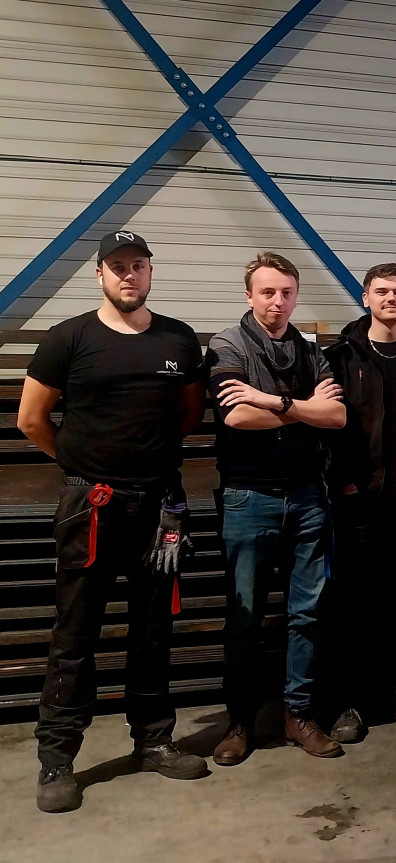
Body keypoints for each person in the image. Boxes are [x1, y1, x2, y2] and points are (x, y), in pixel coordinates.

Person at [19, 230, 210, 812]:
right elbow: (31, 420)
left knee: (153, 631)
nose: (129, 275)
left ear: (152, 273)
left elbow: (189, 413)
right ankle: (57, 760)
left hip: (159, 507)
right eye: (118, 266)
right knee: (75, 636)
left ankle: (153, 740)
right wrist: (84, 465)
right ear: (99, 275)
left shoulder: (178, 339)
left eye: (139, 265)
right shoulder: (67, 339)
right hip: (92, 507)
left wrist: (143, 464)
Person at [207, 252, 347, 766]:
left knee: (306, 614)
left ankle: (298, 716)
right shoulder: (227, 344)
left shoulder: (310, 349)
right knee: (244, 617)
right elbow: (236, 417)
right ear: (249, 295)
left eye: (286, 292)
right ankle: (240, 722)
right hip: (250, 497)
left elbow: (335, 416)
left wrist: (275, 402)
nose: (277, 301)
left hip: (310, 496)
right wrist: (302, 408)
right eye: (267, 292)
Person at [322, 263, 396, 741]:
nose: (391, 298)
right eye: (382, 291)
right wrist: (346, 481)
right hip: (359, 500)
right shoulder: (339, 356)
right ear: (366, 298)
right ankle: (351, 701)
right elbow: (327, 424)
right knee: (352, 601)